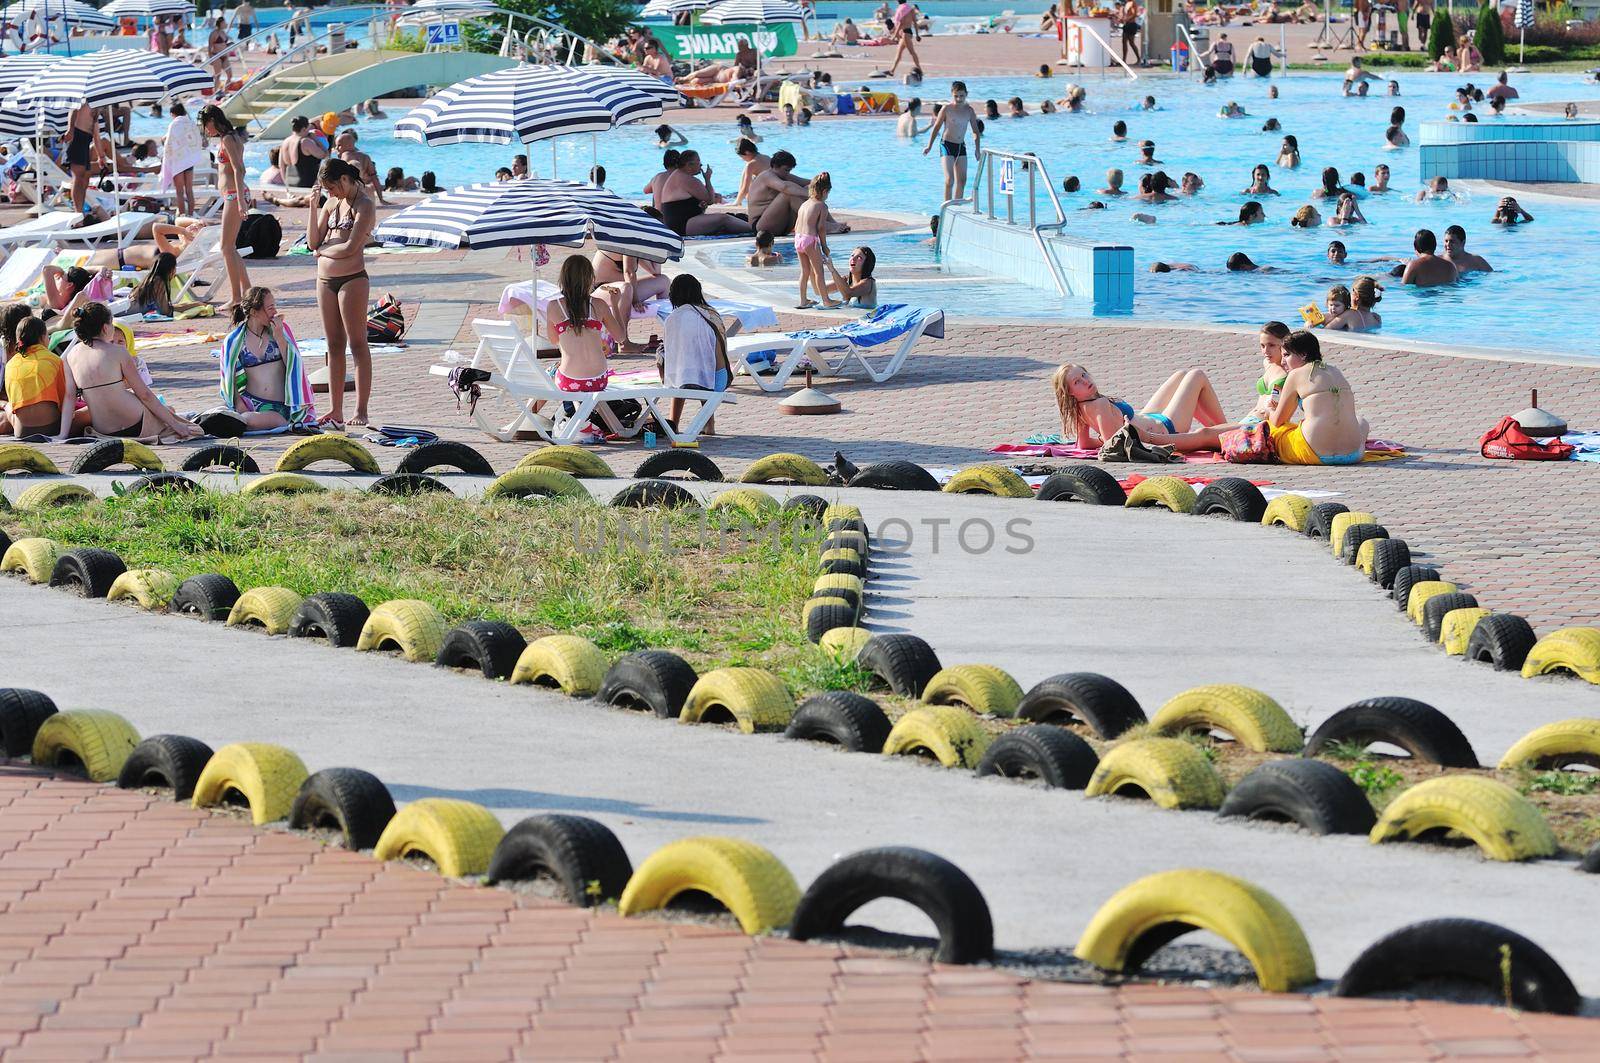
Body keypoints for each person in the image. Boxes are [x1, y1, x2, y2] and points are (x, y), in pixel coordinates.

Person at [56, 302, 200, 443]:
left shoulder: (70, 356)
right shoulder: (119, 352)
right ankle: (183, 417)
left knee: (168, 412)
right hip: (136, 424)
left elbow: (69, 397)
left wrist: (63, 435)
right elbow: (145, 395)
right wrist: (176, 425)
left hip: (104, 430)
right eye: (112, 324)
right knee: (181, 421)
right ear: (105, 328)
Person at [542, 256, 644, 443]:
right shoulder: (599, 304)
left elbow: (554, 340)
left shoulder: (553, 306)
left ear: (563, 278)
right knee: (561, 369)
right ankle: (578, 418)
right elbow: (621, 338)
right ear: (590, 278)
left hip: (570, 382)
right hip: (598, 380)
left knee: (550, 371)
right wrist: (614, 303)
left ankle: (533, 417)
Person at [307, 158, 375, 428]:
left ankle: (361, 410)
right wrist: (313, 207)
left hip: (352, 280)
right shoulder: (331, 204)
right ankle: (335, 410)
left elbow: (349, 248)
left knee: (357, 344)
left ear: (345, 180)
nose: (330, 193)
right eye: (326, 189)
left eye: (332, 187)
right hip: (325, 280)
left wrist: (322, 251)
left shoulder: (364, 206)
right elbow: (313, 240)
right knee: (333, 345)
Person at [1053, 363, 1232, 451]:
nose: (1086, 381)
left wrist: (1101, 439)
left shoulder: (1079, 408)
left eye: (1084, 374)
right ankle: (1227, 433)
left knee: (1181, 375)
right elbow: (1114, 445)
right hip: (1165, 428)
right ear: (1069, 392)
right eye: (1078, 382)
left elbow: (1082, 444)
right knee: (1196, 375)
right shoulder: (1099, 404)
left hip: (1147, 417)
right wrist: (1105, 440)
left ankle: (1220, 431)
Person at [1266, 330, 1368, 464]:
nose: (1283, 361)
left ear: (1303, 354)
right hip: (1354, 455)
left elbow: (1278, 420)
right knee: (1361, 421)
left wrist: (1270, 411)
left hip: (1315, 453)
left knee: (1271, 429)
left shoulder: (1295, 375)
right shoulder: (1335, 370)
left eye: (1287, 355)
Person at [219, 286, 314, 430]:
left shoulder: (281, 331)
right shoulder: (235, 340)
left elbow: (294, 367)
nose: (275, 312)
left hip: (280, 408)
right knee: (236, 414)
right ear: (253, 312)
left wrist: (279, 337)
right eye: (270, 308)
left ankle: (239, 421)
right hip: (249, 403)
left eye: (274, 307)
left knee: (246, 420)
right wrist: (240, 406)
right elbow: (229, 379)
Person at [661, 274, 730, 438]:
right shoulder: (711, 314)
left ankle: (674, 423)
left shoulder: (673, 318)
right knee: (702, 369)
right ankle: (709, 424)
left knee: (681, 373)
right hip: (719, 379)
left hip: (687, 380)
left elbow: (672, 355)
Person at [198, 106, 252, 309]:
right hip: (233, 194)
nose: (206, 130)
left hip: (234, 195)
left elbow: (239, 169)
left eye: (206, 126)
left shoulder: (228, 139)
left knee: (226, 247)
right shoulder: (231, 137)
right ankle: (246, 290)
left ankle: (236, 297)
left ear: (212, 120)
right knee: (230, 247)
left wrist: (240, 201)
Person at [2, 317, 86, 437]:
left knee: (9, 406)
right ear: (42, 337)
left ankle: (4, 405)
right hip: (52, 429)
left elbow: (15, 404)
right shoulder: (55, 361)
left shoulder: (10, 364)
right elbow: (66, 403)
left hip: (21, 432)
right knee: (88, 412)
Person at [660, 151, 752, 238]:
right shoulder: (687, 179)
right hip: (681, 226)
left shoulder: (679, 175)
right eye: (699, 162)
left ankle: (749, 225)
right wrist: (707, 179)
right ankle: (754, 230)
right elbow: (710, 200)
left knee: (732, 217)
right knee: (723, 219)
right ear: (689, 165)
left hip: (680, 223)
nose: (701, 165)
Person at [795, 173, 845, 309]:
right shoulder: (822, 206)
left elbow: (797, 225)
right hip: (810, 240)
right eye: (828, 193)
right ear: (824, 191)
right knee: (819, 272)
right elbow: (821, 228)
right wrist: (824, 246)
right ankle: (826, 300)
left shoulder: (804, 204)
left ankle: (803, 300)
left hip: (798, 239)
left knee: (805, 271)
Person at [923, 81, 978, 202]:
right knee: (949, 180)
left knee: (962, 180)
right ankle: (946, 207)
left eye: (962, 96)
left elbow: (975, 131)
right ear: (952, 94)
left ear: (966, 94)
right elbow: (936, 127)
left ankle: (956, 207)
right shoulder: (946, 109)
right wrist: (929, 146)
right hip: (946, 145)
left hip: (960, 147)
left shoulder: (969, 111)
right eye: (956, 96)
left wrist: (977, 150)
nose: (959, 99)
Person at [159, 101, 204, 218]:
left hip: (178, 160)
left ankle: (183, 216)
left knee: (179, 191)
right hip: (188, 159)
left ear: (173, 113)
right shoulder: (190, 123)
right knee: (189, 189)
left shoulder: (174, 124)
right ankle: (191, 215)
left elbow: (169, 141)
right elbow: (196, 139)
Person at [128, 252, 209, 317]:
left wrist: (192, 304)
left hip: (127, 307)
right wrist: (195, 304)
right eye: (175, 267)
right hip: (126, 311)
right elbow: (165, 311)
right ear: (170, 269)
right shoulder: (159, 282)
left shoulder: (151, 278)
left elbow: (166, 306)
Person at [1249, 321, 1290, 421]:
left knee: (1206, 433)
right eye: (1262, 346)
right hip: (1252, 418)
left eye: (1271, 345)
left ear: (1285, 344)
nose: (1265, 351)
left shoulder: (1290, 371)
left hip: (1266, 426)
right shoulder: (1267, 363)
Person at [335, 130, 385, 205]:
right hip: (366, 192)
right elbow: (375, 178)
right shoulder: (365, 157)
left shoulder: (345, 155)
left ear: (348, 145)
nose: (336, 148)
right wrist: (381, 199)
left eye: (339, 145)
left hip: (352, 193)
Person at [65, 102, 96, 219]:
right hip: (77, 135)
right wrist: (70, 129)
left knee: (85, 177)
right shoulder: (85, 95)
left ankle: (80, 210)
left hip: (86, 138)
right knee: (78, 177)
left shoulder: (98, 99)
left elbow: (95, 127)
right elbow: (74, 108)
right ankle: (78, 213)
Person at [281, 115, 326, 189]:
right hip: (307, 186)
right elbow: (325, 155)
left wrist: (287, 187)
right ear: (304, 129)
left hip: (290, 185)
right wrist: (316, 139)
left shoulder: (285, 142)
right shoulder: (305, 142)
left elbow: (282, 166)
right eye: (309, 128)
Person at [887, 0, 921, 77]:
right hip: (907, 32)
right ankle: (892, 70)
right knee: (898, 53)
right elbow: (915, 23)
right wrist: (917, 35)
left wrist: (894, 36)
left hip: (905, 33)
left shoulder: (902, 10)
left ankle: (920, 70)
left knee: (912, 52)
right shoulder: (910, 9)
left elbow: (900, 23)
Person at [1116, 0, 1141, 66]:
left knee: (1131, 43)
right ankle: (1124, 60)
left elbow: (1134, 14)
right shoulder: (1126, 4)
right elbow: (1126, 14)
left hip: (1131, 24)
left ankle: (1138, 59)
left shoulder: (1132, 3)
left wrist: (1126, 19)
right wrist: (1121, 19)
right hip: (1126, 24)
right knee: (1124, 42)